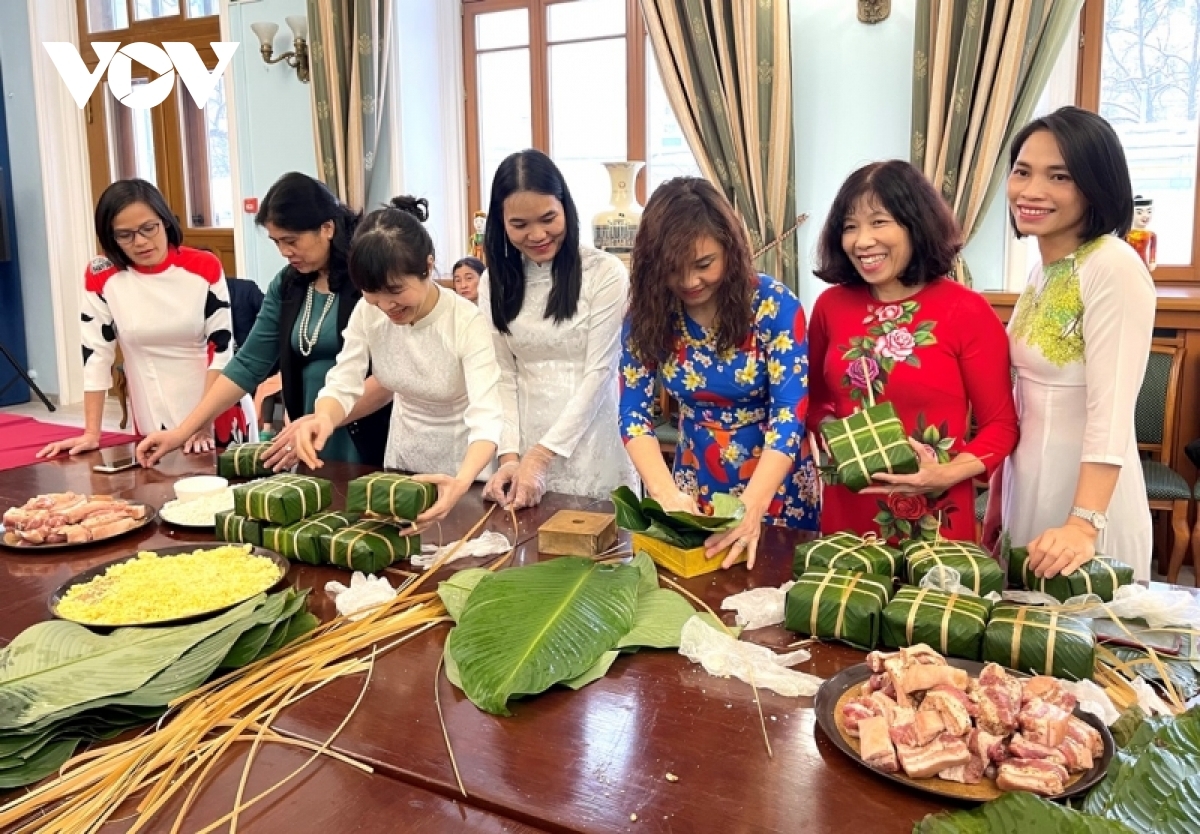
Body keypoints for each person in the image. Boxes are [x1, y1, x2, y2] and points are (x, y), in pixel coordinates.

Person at [809, 160, 1018, 544]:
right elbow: (817, 403)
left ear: (915, 224)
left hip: (936, 509)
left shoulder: (967, 311)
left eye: (879, 222)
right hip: (848, 506)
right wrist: (836, 437)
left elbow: (1001, 427)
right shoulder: (829, 307)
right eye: (849, 227)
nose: (862, 240)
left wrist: (943, 474)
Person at [618, 177, 818, 570]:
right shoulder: (647, 315)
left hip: (775, 480)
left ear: (730, 248)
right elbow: (633, 414)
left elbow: (790, 412)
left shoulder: (773, 305)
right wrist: (665, 493)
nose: (690, 282)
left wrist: (753, 504)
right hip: (694, 477)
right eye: (673, 270)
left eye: (704, 264)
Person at [990, 106, 1155, 581]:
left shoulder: (1114, 267)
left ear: (1095, 185)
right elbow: (1023, 392)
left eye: (1059, 176)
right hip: (1030, 487)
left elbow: (1112, 409)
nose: (1032, 190)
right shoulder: (1046, 268)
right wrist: (1001, 493)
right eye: (1022, 172)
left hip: (1086, 502)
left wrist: (1084, 524)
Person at [137, 172, 390, 469]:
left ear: (327, 228)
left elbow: (389, 379)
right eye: (277, 242)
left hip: (365, 427)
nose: (284, 252)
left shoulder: (369, 280)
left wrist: (325, 419)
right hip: (308, 431)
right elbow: (247, 364)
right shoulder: (288, 285)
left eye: (291, 240)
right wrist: (183, 431)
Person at [290, 197, 504, 522]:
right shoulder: (369, 312)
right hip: (401, 460)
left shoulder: (465, 322)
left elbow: (487, 418)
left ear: (428, 267)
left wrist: (462, 482)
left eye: (395, 290)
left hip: (463, 467)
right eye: (372, 293)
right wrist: (324, 418)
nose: (387, 306)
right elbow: (343, 382)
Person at [478, 149, 637, 507]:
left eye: (548, 218)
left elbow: (600, 372)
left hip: (592, 439)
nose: (537, 234)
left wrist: (541, 456)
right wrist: (510, 456)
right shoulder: (493, 283)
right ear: (500, 223)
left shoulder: (605, 273)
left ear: (565, 206)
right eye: (519, 225)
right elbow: (502, 373)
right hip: (521, 442)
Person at [37, 179, 235, 458]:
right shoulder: (102, 273)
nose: (140, 241)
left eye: (148, 228)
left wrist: (200, 425)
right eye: (125, 234)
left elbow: (222, 351)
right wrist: (91, 433)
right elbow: (95, 354)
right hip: (149, 410)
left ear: (165, 221)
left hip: (212, 411)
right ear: (110, 236)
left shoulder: (203, 265)